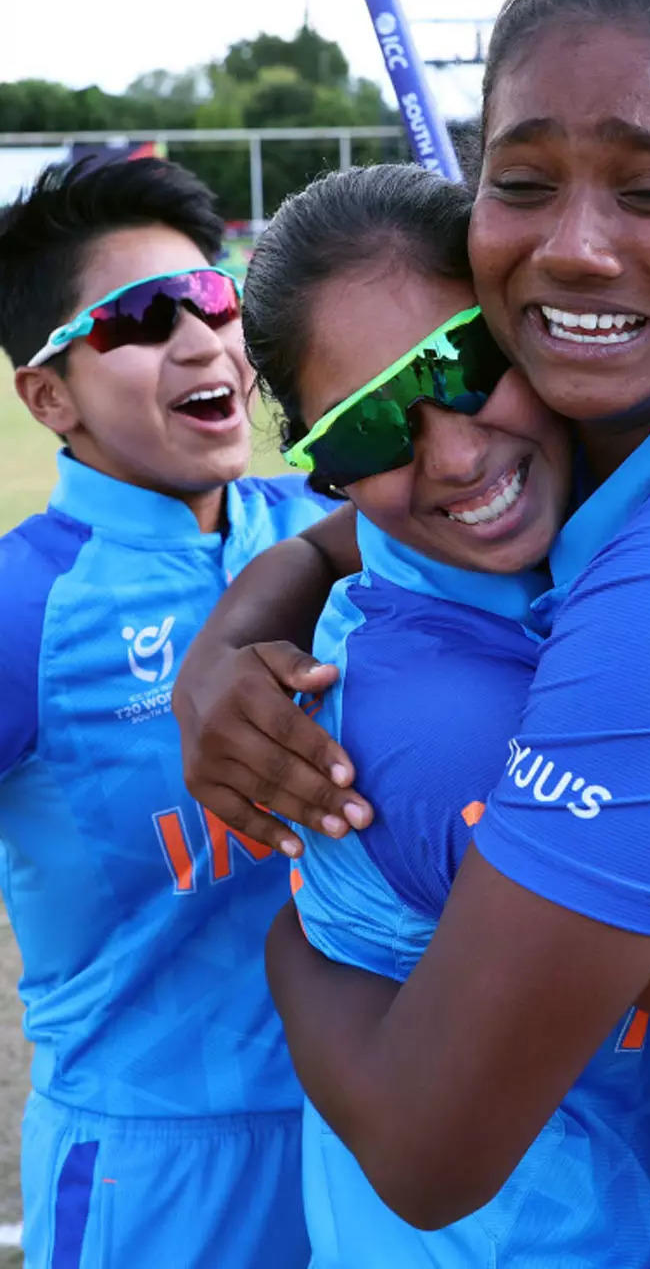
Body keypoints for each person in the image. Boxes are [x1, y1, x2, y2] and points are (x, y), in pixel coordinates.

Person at [177, 0, 650, 1266]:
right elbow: (416, 512)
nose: (573, 249)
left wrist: (288, 942)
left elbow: (429, 1138)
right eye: (523, 182)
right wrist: (249, 613)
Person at [0, 156, 330, 1268]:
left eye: (214, 297)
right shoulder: (22, 609)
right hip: (160, 1176)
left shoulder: (329, 527)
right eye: (141, 317)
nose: (203, 342)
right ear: (48, 396)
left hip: (386, 1130)